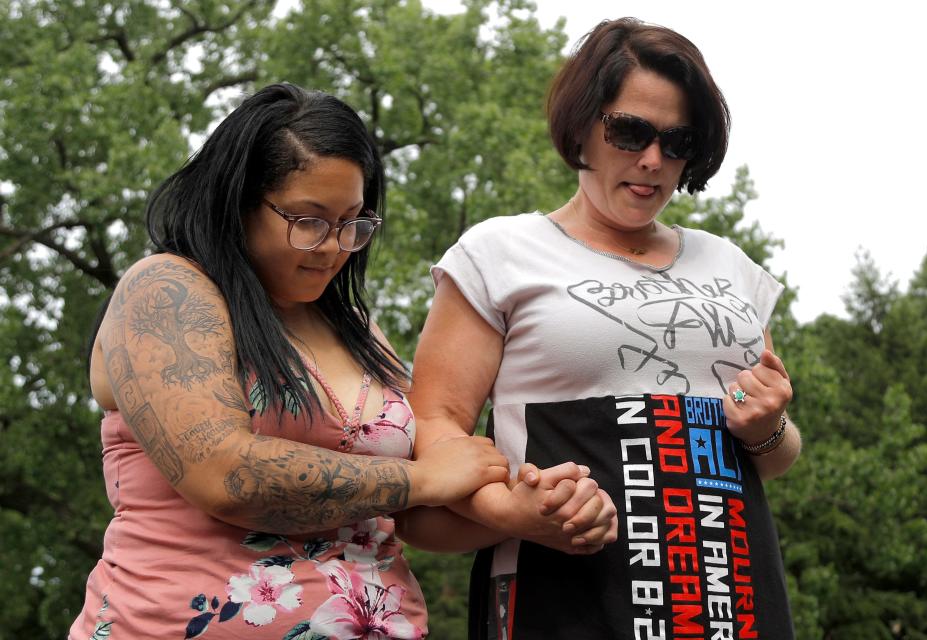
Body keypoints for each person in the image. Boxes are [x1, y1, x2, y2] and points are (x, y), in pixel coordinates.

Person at [69, 83, 528, 640]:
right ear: (239, 200)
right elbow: (225, 474)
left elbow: (410, 516)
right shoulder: (167, 289)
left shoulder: (358, 331)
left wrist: (521, 512)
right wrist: (421, 477)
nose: (335, 246)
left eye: (353, 222)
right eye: (309, 221)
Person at [410, 18, 801, 640]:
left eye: (677, 142)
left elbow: (775, 456)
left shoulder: (731, 267)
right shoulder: (499, 252)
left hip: (729, 595)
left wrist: (766, 427)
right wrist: (511, 511)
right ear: (582, 126)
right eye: (629, 131)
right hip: (563, 596)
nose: (653, 160)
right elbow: (432, 427)